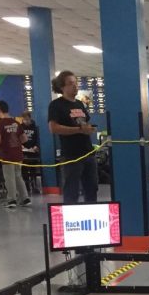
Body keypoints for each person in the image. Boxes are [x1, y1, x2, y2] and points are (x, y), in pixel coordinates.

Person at [48, 70, 98, 204]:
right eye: (70, 84)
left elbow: (84, 123)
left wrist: (88, 129)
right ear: (62, 87)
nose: (75, 86)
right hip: (71, 155)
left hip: (88, 152)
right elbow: (53, 128)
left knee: (92, 189)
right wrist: (79, 130)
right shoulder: (56, 105)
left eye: (75, 83)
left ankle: (92, 216)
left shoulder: (80, 104)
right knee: (71, 191)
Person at [0, 100, 30, 209]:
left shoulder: (0, 124)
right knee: (18, 176)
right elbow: (24, 139)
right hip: (18, 154)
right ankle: (25, 198)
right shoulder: (16, 123)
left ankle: (12, 199)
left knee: (9, 178)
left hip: (7, 155)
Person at [20, 110, 41, 194]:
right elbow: (18, 138)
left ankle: (34, 186)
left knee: (33, 170)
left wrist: (36, 146)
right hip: (24, 151)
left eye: (27, 119)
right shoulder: (20, 127)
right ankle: (27, 187)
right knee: (24, 170)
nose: (26, 121)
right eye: (24, 119)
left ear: (30, 118)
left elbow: (37, 138)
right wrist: (21, 145)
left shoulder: (34, 127)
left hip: (33, 151)